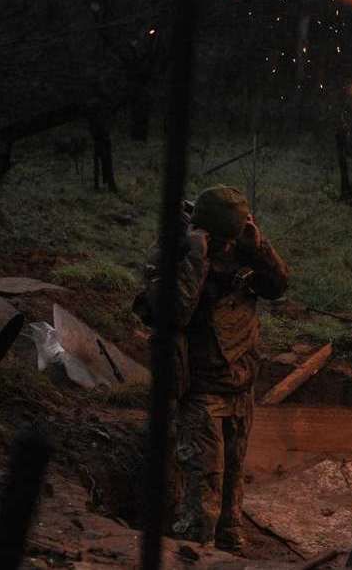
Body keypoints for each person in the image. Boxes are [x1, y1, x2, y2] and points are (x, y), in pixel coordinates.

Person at [140, 185, 288, 552]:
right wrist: (196, 258)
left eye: (231, 239)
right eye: (223, 240)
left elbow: (277, 286)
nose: (228, 248)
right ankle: (195, 546)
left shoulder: (243, 245)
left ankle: (228, 534)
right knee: (204, 474)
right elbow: (175, 313)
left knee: (235, 468)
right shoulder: (176, 252)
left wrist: (260, 248)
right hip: (201, 383)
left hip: (240, 376)